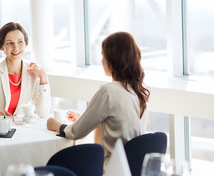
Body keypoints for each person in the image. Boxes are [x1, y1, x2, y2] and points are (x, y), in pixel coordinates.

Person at [47, 31, 150, 168]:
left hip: (111, 170)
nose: (101, 61)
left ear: (114, 60)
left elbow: (76, 132)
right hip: (134, 170)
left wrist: (57, 125)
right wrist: (87, 119)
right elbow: (121, 126)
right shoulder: (140, 93)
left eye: (103, 56)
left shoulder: (109, 91)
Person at [0, 22, 51, 119]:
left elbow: (43, 113)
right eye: (10, 43)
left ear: (26, 43)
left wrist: (44, 78)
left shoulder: (33, 72)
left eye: (20, 41)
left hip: (21, 128)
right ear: (2, 47)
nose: (16, 47)